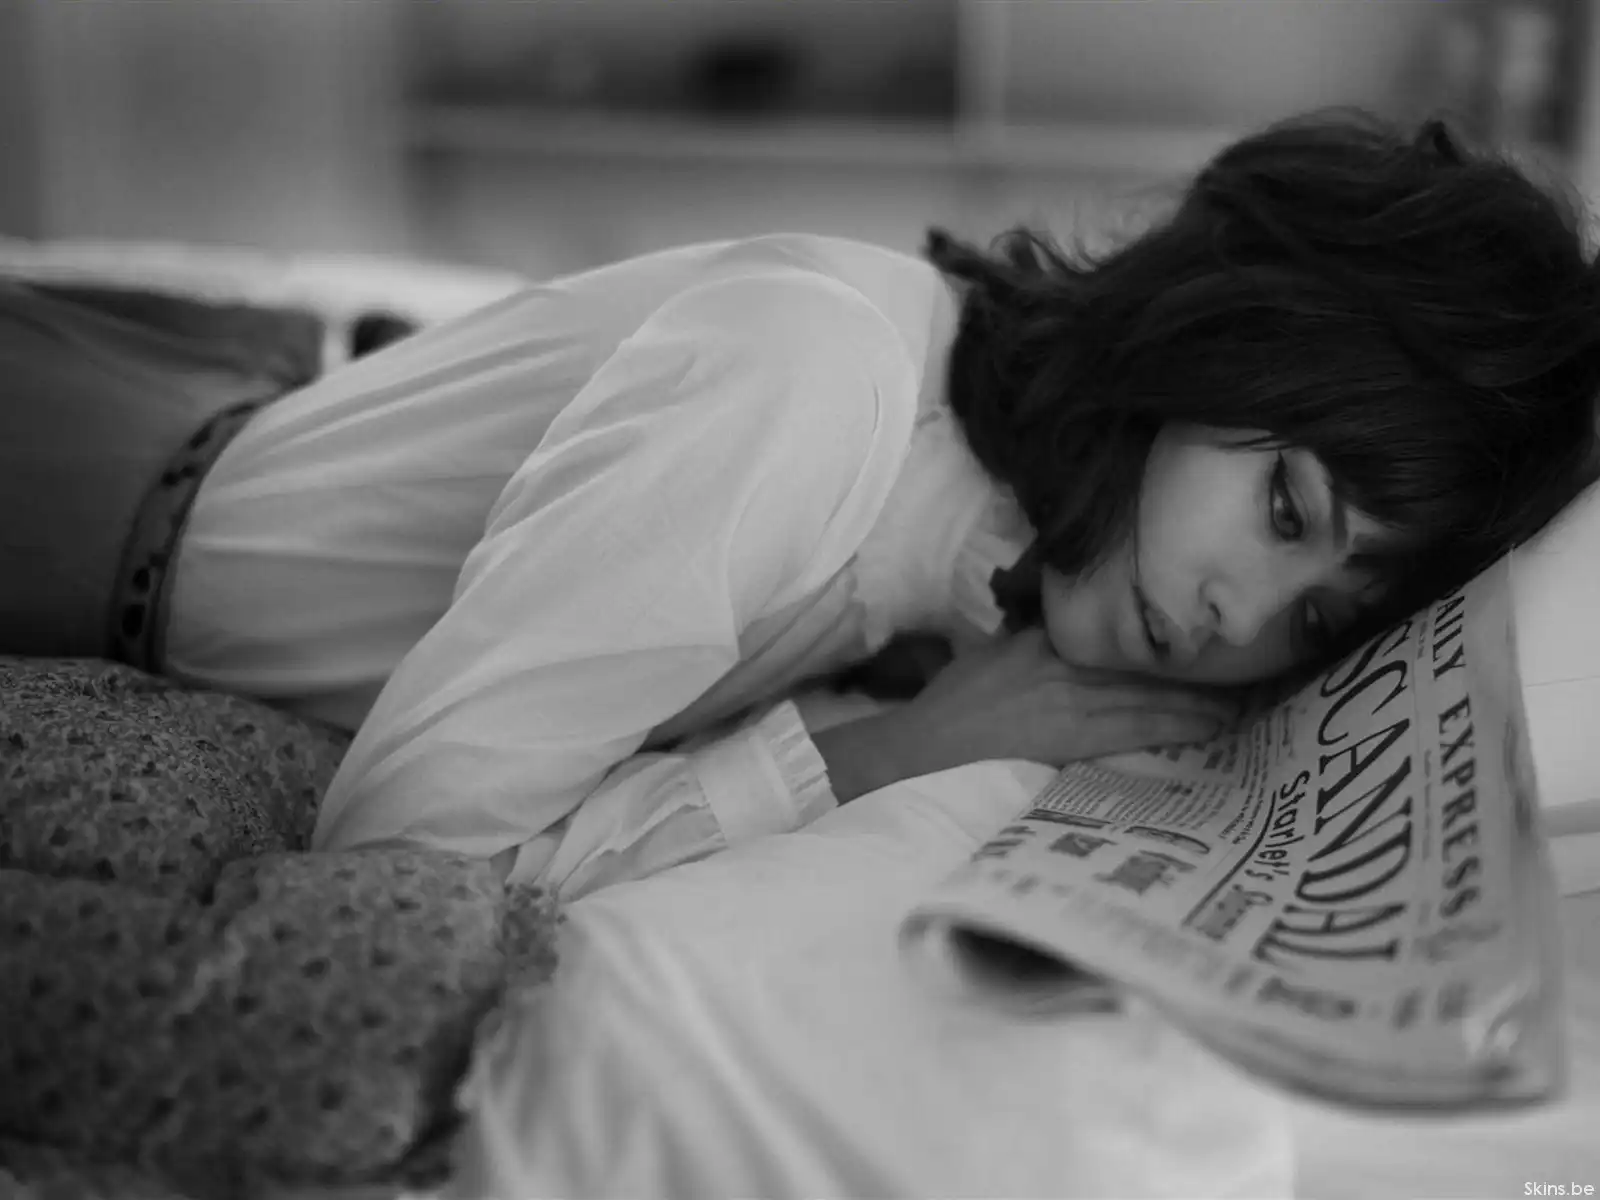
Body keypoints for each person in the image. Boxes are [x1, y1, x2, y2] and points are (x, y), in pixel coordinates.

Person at [6, 111, 1598, 899]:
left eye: (1316, 615)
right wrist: (887, 757)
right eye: (1286, 508)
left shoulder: (1007, 546)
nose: (1239, 616)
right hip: (87, 505)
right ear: (1215, 336)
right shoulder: (814, 386)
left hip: (220, 403)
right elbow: (400, 855)